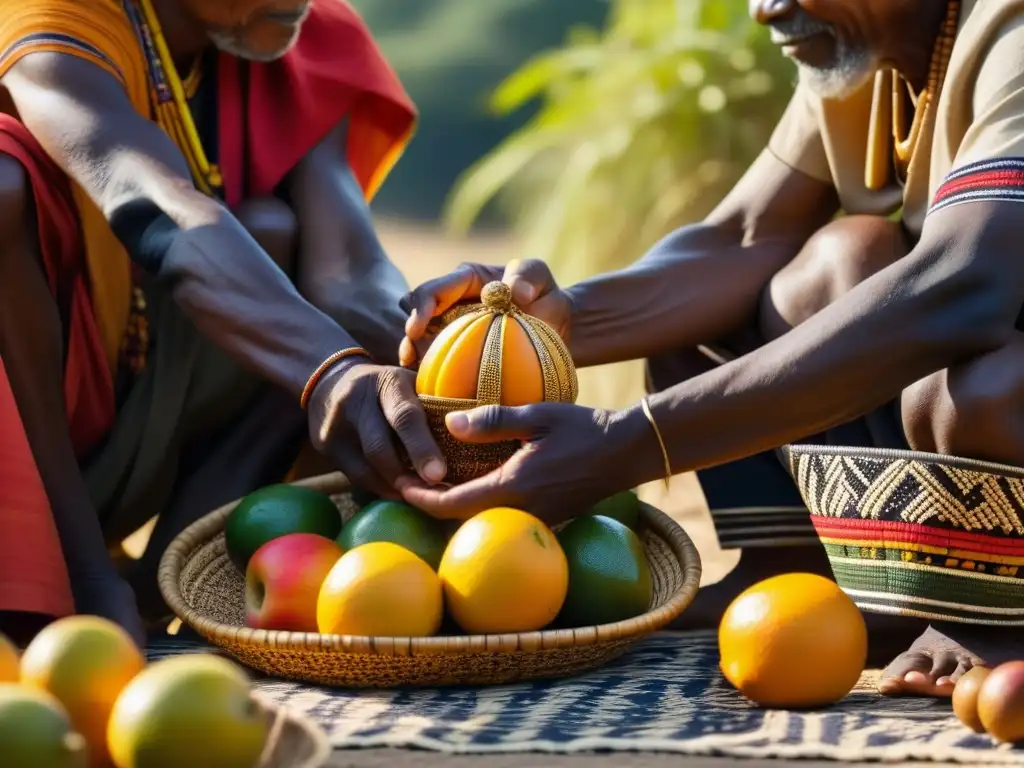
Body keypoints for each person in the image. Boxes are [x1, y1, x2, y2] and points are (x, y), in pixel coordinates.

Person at [400, 0, 1024, 698]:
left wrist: (635, 442)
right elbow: (745, 236)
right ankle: (808, 573)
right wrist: (560, 319)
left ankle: (999, 616)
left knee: (982, 390)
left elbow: (967, 282)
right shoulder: (870, 56)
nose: (765, 10)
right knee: (827, 266)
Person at [0, 0, 448, 644]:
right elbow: (152, 200)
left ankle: (169, 588)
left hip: (138, 419)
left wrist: (459, 358)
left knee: (271, 237)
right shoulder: (53, 23)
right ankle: (79, 576)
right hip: (37, 454)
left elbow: (350, 277)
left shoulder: (302, 37)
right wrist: (330, 370)